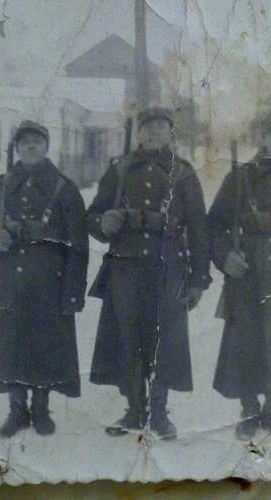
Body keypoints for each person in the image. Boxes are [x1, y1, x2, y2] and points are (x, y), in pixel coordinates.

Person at [87, 107, 211, 439]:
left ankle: (158, 412)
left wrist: (199, 278)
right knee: (128, 338)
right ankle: (134, 410)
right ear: (139, 133)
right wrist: (103, 222)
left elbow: (200, 230)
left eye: (161, 127)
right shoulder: (120, 169)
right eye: (147, 127)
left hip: (168, 267)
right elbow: (94, 214)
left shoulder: (183, 173)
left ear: (171, 133)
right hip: (125, 266)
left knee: (163, 340)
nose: (154, 132)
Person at [208, 103, 271, 441]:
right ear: (262, 137)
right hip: (248, 274)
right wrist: (225, 257)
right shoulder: (241, 176)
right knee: (246, 343)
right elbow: (215, 225)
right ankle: (249, 410)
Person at [0, 120, 88, 438]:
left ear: (46, 146)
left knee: (45, 346)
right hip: (8, 281)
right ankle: (17, 411)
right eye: (24, 141)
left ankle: (40, 410)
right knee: (11, 344)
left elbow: (78, 245)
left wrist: (73, 292)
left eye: (36, 141)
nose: (30, 146)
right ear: (16, 148)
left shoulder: (64, 188)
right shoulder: (0, 186)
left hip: (48, 283)